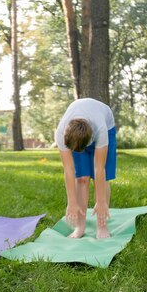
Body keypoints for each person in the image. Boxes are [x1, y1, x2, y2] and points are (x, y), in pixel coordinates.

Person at [55, 98, 117, 239]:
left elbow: (99, 168)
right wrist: (71, 202)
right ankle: (80, 227)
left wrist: (100, 202)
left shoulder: (100, 130)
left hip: (107, 125)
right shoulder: (61, 133)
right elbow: (69, 170)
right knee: (82, 178)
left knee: (100, 179)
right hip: (78, 132)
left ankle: (102, 227)